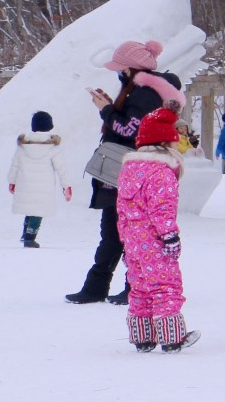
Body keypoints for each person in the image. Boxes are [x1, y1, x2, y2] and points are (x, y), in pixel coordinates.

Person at [68, 41, 181, 305]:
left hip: (132, 169)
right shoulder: (141, 90)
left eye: (121, 68)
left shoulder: (145, 93)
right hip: (128, 167)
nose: (119, 73)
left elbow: (131, 129)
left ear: (132, 68)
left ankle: (130, 286)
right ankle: (101, 286)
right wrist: (111, 106)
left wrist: (105, 110)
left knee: (126, 230)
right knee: (115, 229)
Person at [116, 106, 198, 352]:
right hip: (155, 241)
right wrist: (170, 236)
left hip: (133, 243)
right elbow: (161, 209)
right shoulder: (162, 173)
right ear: (165, 144)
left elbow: (121, 211)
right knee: (166, 286)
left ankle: (143, 337)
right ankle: (172, 338)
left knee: (140, 288)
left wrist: (125, 241)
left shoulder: (128, 171)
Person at [8, 110, 70, 248]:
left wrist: (12, 182)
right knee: (38, 211)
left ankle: (25, 233)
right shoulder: (53, 147)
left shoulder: (23, 146)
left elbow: (15, 166)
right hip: (44, 187)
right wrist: (66, 185)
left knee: (31, 209)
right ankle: (30, 238)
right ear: (50, 126)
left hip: (26, 185)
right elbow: (61, 169)